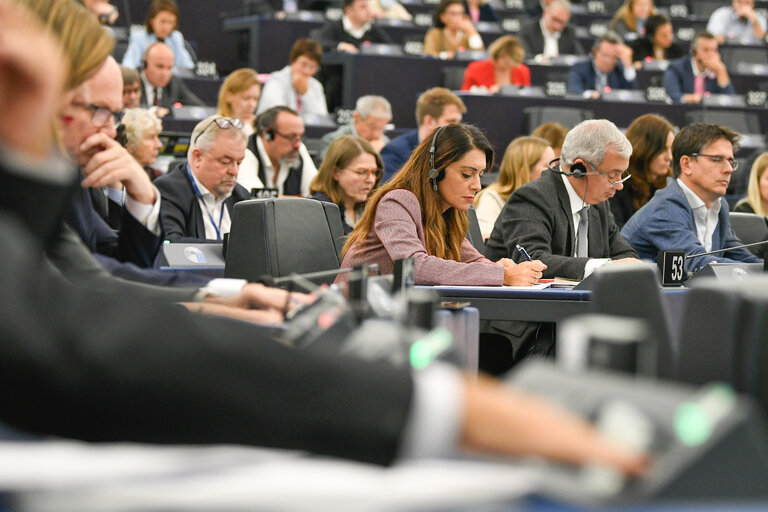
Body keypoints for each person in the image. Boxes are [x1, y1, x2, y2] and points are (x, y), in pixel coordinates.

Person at [1, 0, 650, 476]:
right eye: (90, 106)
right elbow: (67, 319)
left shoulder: (456, 214)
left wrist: (226, 293)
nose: (99, 130)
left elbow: (69, 288)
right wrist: (441, 407)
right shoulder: (400, 201)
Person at [340, 123, 547, 286]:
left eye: (481, 175)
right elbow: (414, 266)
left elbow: (472, 261)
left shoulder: (449, 211)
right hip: (356, 319)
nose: (476, 185)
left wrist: (500, 268)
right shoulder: (396, 201)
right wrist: (501, 275)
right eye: (467, 174)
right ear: (435, 170)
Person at [485, 119, 640, 280]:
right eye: (612, 175)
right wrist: (602, 267)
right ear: (579, 169)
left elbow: (625, 255)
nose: (619, 185)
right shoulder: (532, 197)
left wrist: (623, 265)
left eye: (622, 175)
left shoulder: (598, 204)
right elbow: (532, 259)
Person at [622, 123, 762, 273]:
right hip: (635, 294)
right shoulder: (666, 207)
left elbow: (743, 257)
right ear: (687, 164)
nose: (728, 169)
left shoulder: (719, 206)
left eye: (730, 161)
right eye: (717, 159)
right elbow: (698, 262)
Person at [155, 116, 251, 243]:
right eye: (225, 162)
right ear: (197, 157)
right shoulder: (169, 191)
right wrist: (231, 249)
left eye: (239, 163)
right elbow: (172, 244)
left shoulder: (241, 197)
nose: (234, 171)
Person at [474, 136, 554, 240]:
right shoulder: (492, 198)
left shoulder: (548, 202)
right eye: (547, 166)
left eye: (555, 165)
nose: (554, 171)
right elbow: (486, 239)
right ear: (524, 171)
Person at [380, 87, 466, 182]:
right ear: (429, 121)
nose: (458, 128)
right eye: (451, 121)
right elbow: (388, 191)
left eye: (459, 122)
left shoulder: (459, 151)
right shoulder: (395, 151)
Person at [609, 114, 674, 228]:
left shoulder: (670, 184)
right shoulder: (618, 185)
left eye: (671, 149)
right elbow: (616, 236)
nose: (669, 157)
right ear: (645, 149)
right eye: (663, 149)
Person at [239, 106, 318, 195]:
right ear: (267, 134)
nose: (297, 144)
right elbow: (255, 200)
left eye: (300, 137)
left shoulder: (299, 149)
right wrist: (300, 201)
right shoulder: (244, 153)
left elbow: (316, 192)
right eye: (291, 137)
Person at [310, 135, 382, 234]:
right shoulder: (318, 212)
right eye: (361, 172)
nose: (371, 180)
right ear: (335, 172)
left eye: (374, 172)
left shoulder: (376, 209)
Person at [256, 38, 328, 118]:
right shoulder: (276, 81)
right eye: (303, 64)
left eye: (313, 67)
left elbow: (322, 119)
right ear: (293, 61)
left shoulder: (316, 86)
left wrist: (305, 94)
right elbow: (276, 115)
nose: (307, 71)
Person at [121, 0, 195, 72]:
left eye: (171, 22)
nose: (166, 27)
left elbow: (188, 68)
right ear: (152, 20)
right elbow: (127, 67)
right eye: (163, 21)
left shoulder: (176, 38)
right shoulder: (139, 38)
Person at [662, 31, 734, 104]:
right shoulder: (676, 68)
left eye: (714, 50)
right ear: (694, 49)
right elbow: (674, 96)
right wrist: (699, 99)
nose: (710, 55)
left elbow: (729, 101)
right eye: (706, 50)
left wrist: (720, 71)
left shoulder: (718, 69)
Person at [138, 41, 204, 117]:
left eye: (169, 68)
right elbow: (127, 108)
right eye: (160, 66)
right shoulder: (132, 80)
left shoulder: (174, 83)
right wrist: (152, 111)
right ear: (144, 65)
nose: (164, 73)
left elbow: (200, 108)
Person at [567, 32, 637, 97]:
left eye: (613, 58)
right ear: (595, 51)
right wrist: (590, 95)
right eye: (605, 56)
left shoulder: (619, 70)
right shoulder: (580, 68)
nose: (609, 61)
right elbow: (573, 89)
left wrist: (628, 66)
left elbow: (633, 94)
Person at [320, 95, 392, 158]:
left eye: (381, 128)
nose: (376, 134)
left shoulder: (385, 142)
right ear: (356, 117)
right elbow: (330, 168)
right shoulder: (334, 141)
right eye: (372, 127)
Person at [315, 0, 394, 54]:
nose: (368, 11)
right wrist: (340, 46)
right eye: (363, 7)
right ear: (349, 10)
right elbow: (319, 43)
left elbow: (392, 49)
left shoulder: (374, 29)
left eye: (368, 6)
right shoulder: (335, 27)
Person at [461, 35, 530, 92]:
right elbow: (466, 93)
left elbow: (526, 94)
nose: (509, 66)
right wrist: (488, 92)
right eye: (506, 63)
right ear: (496, 55)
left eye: (513, 64)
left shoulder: (522, 71)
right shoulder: (475, 68)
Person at [518, 0, 584, 61]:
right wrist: (539, 59)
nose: (557, 26)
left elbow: (580, 58)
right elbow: (522, 55)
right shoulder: (528, 29)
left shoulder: (569, 32)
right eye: (555, 19)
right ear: (545, 13)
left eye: (562, 22)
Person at [121, 108, 164, 181]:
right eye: (151, 138)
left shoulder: (156, 176)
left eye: (158, 137)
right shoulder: (114, 180)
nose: (159, 145)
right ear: (129, 143)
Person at [217, 68, 261, 137]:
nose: (252, 105)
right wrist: (247, 128)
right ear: (228, 96)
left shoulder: (260, 126)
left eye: (255, 99)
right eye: (246, 98)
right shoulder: (216, 125)